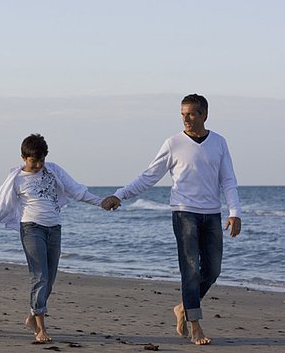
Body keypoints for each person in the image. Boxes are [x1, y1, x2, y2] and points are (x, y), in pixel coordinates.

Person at [101, 94, 242, 346]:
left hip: (212, 214)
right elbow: (149, 176)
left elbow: (228, 180)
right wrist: (120, 194)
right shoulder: (173, 143)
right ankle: (195, 325)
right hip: (183, 211)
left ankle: (183, 308)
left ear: (204, 115)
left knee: (212, 270)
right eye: (182, 114)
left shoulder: (219, 143)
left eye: (191, 114)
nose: (186, 119)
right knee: (190, 269)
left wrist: (235, 212)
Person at [0, 133, 102, 343]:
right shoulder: (16, 180)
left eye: (41, 160)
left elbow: (77, 191)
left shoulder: (53, 170)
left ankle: (32, 316)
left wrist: (101, 202)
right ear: (23, 157)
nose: (38, 165)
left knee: (50, 281)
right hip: (31, 229)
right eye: (33, 160)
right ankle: (41, 329)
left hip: (54, 229)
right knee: (39, 276)